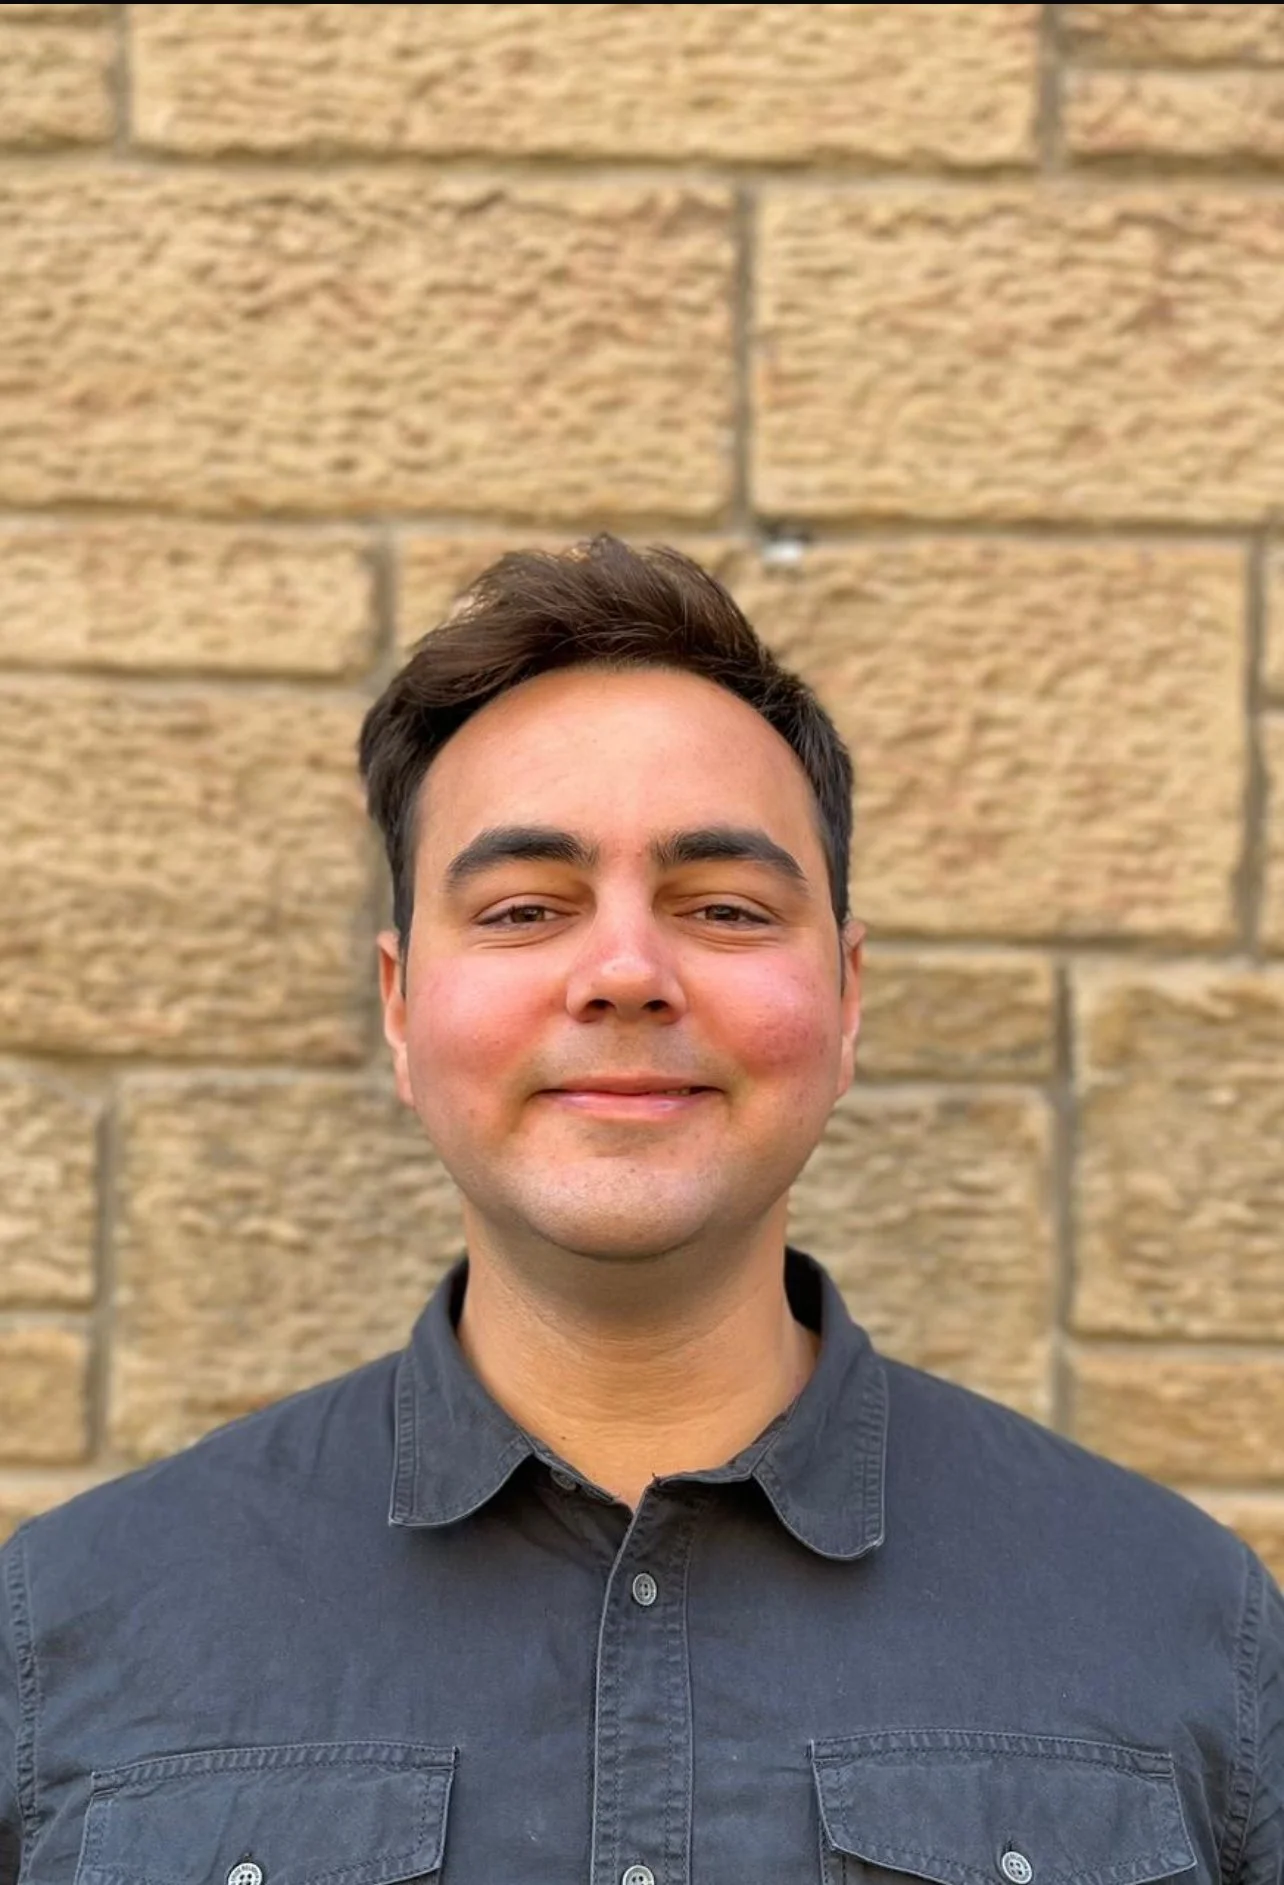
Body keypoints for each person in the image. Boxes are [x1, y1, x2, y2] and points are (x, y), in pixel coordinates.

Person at [1, 535, 1279, 1885]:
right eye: (524, 910)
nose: (624, 971)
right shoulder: (69, 1636)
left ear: (847, 1000)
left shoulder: (1183, 1629)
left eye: (723, 907)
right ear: (399, 1004)